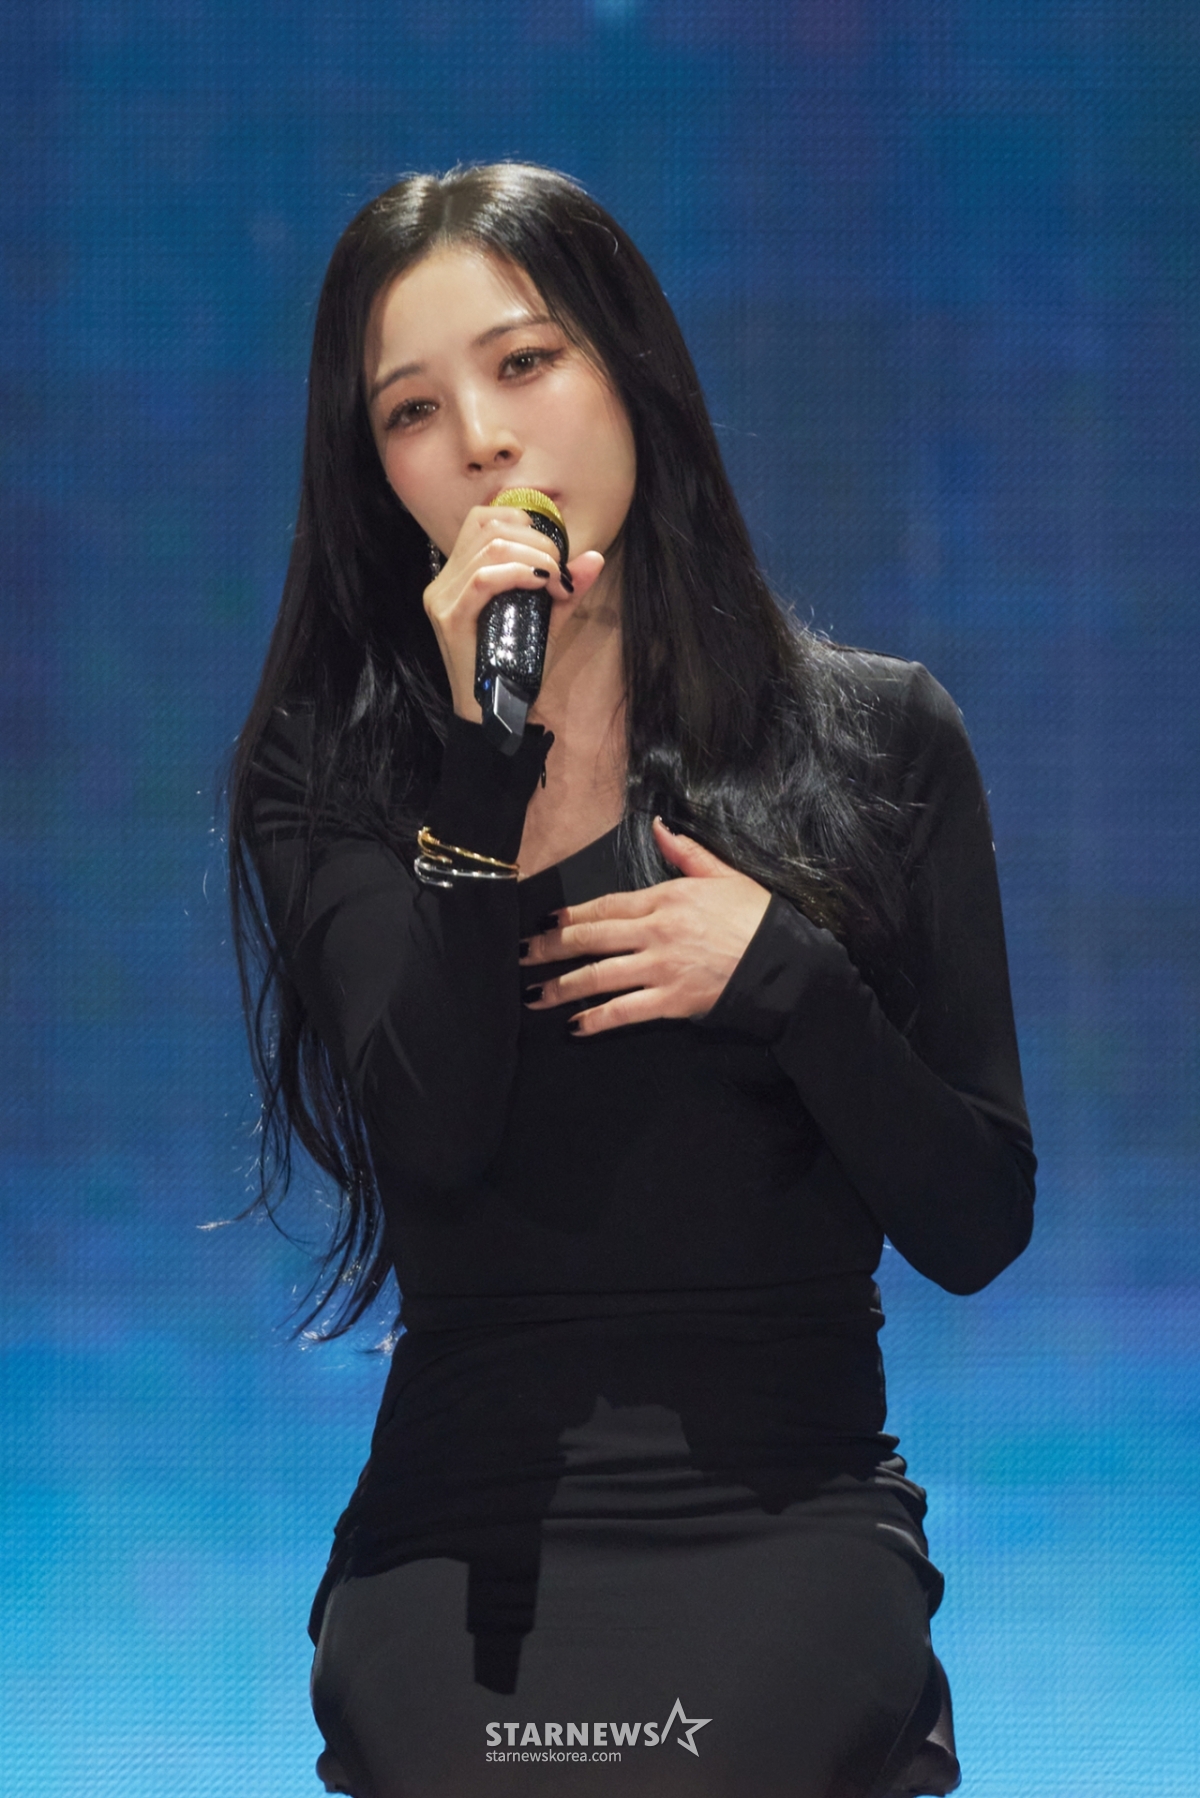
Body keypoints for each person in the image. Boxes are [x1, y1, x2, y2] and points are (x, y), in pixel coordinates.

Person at [226, 161, 1036, 1798]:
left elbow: (977, 1222)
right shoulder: (330, 778)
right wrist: (484, 756)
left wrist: (790, 979)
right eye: (411, 411)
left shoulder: (881, 740)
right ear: (375, 470)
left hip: (788, 1503)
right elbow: (435, 1132)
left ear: (633, 372)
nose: (482, 439)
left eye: (525, 362)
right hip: (465, 1519)